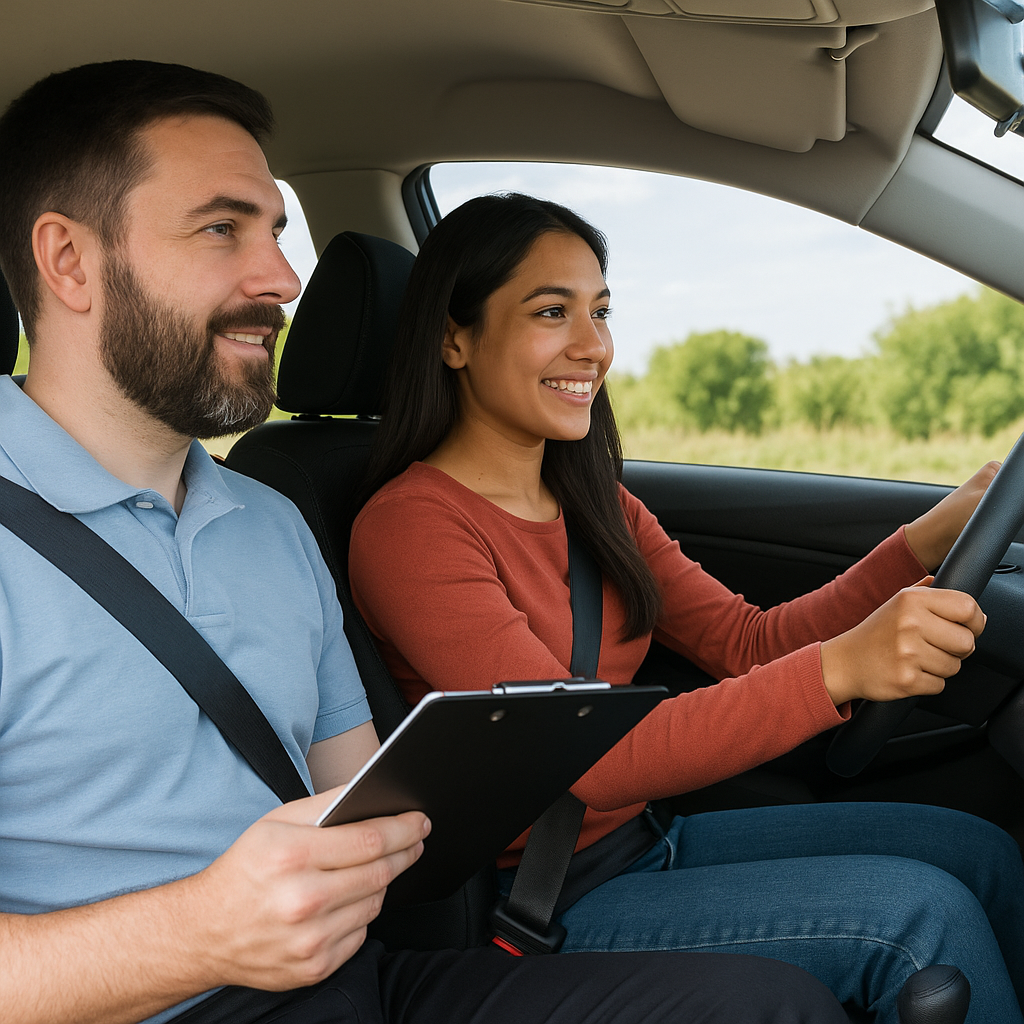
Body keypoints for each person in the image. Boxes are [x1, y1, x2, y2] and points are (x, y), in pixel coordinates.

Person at [0, 61, 857, 1024]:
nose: (283, 279)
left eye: (276, 231)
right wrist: (198, 934)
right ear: (69, 260)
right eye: (220, 229)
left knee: (770, 1005)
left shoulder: (271, 522)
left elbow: (365, 802)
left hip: (357, 982)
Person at [348, 192, 1024, 1024]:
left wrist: (922, 542)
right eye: (552, 312)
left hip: (645, 842)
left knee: (980, 853)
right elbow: (586, 760)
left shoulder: (597, 504)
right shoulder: (413, 528)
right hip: (538, 897)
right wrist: (843, 667)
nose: (593, 346)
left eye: (600, 311)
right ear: (454, 338)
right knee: (923, 915)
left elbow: (749, 642)